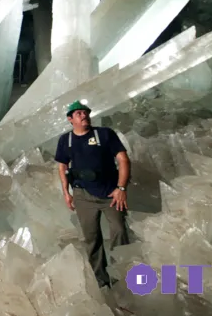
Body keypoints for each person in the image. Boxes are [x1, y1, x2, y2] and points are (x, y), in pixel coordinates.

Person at [54, 100, 130, 288]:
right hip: (83, 195)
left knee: (119, 231)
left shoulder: (104, 134)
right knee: (91, 238)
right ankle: (101, 281)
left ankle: (122, 277)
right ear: (70, 119)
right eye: (79, 113)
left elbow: (123, 159)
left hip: (110, 194)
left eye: (86, 112)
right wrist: (66, 192)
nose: (84, 115)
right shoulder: (66, 140)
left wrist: (121, 189)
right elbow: (62, 166)